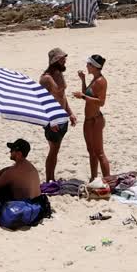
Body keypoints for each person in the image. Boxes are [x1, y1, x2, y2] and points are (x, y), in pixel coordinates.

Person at [40, 48, 77, 181]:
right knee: (53, 150)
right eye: (62, 59)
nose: (65, 61)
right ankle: (50, 179)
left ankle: (52, 178)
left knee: (56, 150)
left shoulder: (58, 74)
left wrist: (70, 113)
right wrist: (51, 121)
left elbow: (62, 96)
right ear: (55, 60)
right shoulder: (46, 79)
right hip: (53, 120)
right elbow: (43, 102)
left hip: (62, 118)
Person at [73, 54, 110, 181]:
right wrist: (83, 80)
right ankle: (94, 178)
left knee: (99, 152)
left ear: (94, 66)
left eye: (88, 64)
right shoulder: (94, 79)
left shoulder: (100, 81)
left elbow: (101, 102)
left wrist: (83, 96)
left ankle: (108, 180)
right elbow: (87, 94)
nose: (86, 66)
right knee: (91, 152)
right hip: (89, 120)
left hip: (95, 120)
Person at [0, 139, 42, 203]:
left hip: (24, 208)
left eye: (12, 150)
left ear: (19, 153)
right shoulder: (30, 166)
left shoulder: (13, 171)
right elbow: (6, 171)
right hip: (37, 205)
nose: (10, 151)